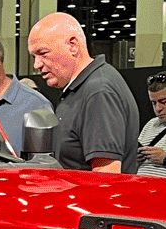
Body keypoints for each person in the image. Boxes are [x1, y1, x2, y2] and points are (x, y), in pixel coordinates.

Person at [27, 13, 139, 174]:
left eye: (43, 53)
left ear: (73, 46)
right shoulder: (81, 87)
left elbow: (106, 177)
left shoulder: (98, 92)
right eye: (33, 56)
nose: (36, 64)